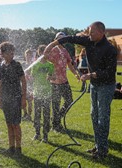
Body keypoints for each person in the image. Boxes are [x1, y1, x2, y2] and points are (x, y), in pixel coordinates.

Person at [44, 21, 117, 159]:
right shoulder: (88, 41)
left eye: (92, 32)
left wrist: (90, 75)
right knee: (93, 115)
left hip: (106, 86)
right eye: (89, 32)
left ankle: (103, 149)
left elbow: (109, 72)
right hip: (94, 85)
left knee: (102, 117)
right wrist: (52, 44)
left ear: (101, 32)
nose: (89, 35)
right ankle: (97, 146)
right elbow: (70, 38)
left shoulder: (109, 49)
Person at [44, 32, 80, 133]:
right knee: (56, 104)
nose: (62, 41)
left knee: (69, 101)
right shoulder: (52, 50)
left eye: (63, 39)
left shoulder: (65, 51)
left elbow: (70, 65)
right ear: (55, 39)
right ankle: (56, 125)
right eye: (59, 39)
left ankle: (57, 118)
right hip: (54, 82)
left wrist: (76, 74)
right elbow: (45, 60)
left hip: (64, 81)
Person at [0, 41, 26, 157]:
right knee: (9, 124)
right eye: (9, 52)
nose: (12, 54)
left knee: (16, 124)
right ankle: (11, 148)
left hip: (16, 98)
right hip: (5, 99)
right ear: (2, 53)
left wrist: (23, 98)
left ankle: (18, 149)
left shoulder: (17, 65)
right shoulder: (0, 66)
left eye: (13, 52)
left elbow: (23, 81)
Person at [31, 45, 54, 143]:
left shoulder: (50, 65)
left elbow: (54, 77)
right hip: (37, 94)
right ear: (39, 53)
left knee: (46, 115)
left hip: (47, 93)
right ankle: (37, 133)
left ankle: (45, 135)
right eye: (45, 52)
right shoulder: (35, 65)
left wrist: (51, 78)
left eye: (48, 52)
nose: (47, 54)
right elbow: (32, 78)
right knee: (37, 114)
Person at [22, 49, 34, 121]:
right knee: (23, 100)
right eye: (27, 55)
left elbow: (34, 75)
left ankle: (29, 115)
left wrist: (31, 78)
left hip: (31, 85)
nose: (28, 56)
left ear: (32, 56)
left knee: (29, 101)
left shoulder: (34, 64)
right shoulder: (22, 64)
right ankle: (25, 113)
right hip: (23, 85)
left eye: (29, 55)